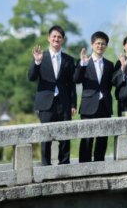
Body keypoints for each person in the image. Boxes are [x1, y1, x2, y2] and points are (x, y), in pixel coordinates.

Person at [28, 25, 77, 166]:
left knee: (65, 135)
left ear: (63, 40)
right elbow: (31, 77)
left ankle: (64, 164)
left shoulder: (69, 59)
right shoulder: (41, 56)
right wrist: (36, 61)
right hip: (45, 103)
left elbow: (71, 84)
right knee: (46, 136)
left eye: (59, 37)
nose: (56, 39)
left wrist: (73, 104)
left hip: (64, 102)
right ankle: (45, 166)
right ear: (49, 38)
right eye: (54, 36)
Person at [74, 31, 114, 162]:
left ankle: (99, 164)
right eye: (98, 43)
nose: (100, 46)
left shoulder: (109, 64)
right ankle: (84, 166)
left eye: (103, 44)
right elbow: (76, 79)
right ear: (92, 44)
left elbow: (109, 85)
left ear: (106, 46)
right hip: (89, 105)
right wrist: (82, 64)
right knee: (87, 138)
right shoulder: (85, 62)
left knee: (102, 138)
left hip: (105, 105)